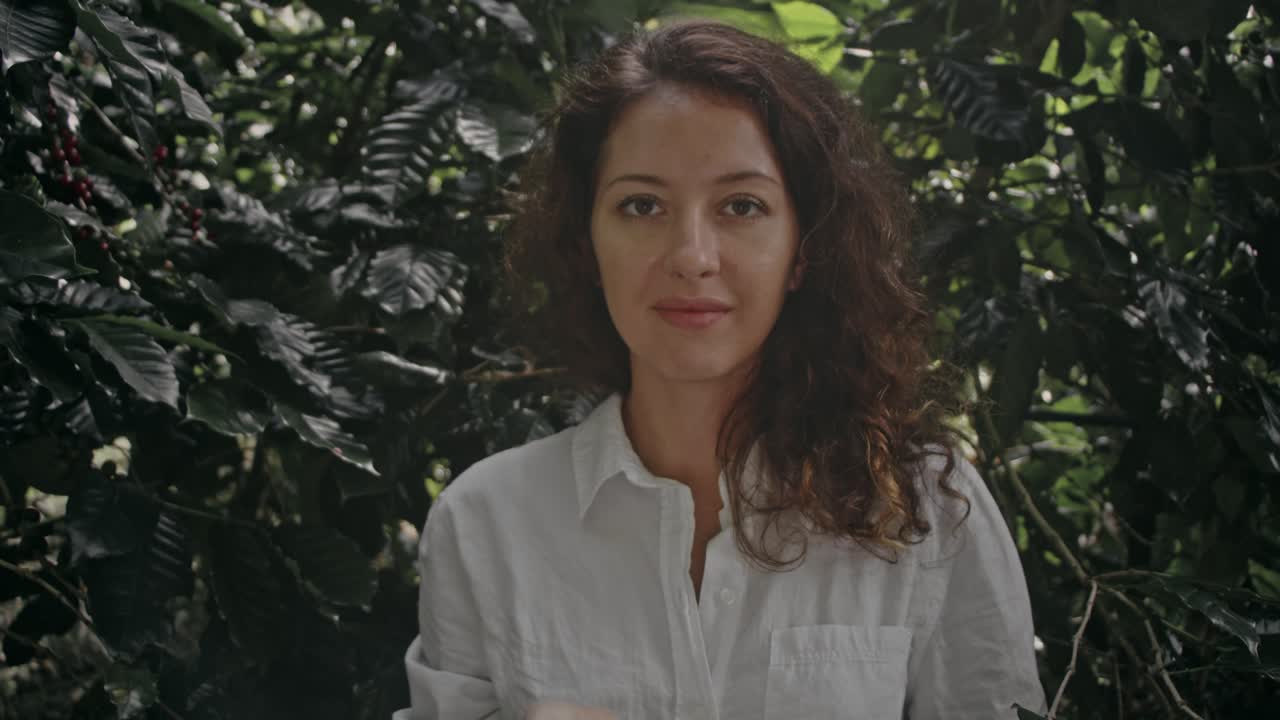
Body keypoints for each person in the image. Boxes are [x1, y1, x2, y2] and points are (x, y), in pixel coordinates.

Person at [395, 18, 1047, 720]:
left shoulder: (926, 511)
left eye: (742, 206)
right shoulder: (485, 524)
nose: (692, 255)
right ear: (587, 243)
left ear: (803, 250)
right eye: (642, 205)